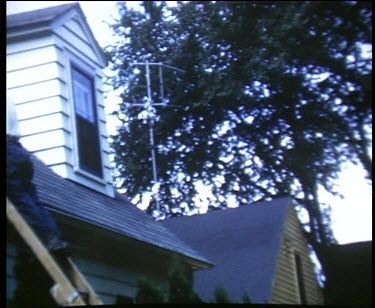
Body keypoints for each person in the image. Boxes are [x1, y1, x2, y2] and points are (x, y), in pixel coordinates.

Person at [6, 95, 70, 258]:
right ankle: (54, 237)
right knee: (32, 199)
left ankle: (43, 238)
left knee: (20, 198)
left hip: (8, 152)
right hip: (20, 152)